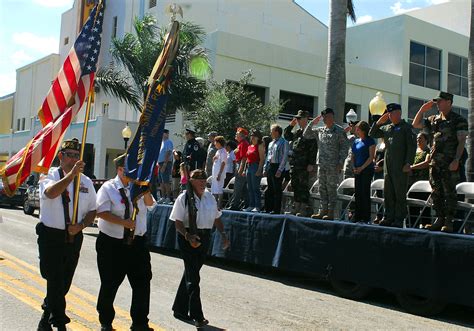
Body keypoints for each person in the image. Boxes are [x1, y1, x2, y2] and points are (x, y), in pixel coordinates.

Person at [36, 138, 97, 331]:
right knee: (53, 277)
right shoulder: (49, 176)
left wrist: (81, 226)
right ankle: (60, 322)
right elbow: (51, 194)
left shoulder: (86, 181)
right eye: (69, 155)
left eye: (76, 156)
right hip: (51, 236)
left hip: (73, 237)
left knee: (64, 281)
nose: (73, 159)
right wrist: (71, 176)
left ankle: (46, 316)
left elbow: (93, 210)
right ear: (61, 157)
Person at [95, 154, 155, 331]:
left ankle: (140, 322)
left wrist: (146, 189)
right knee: (110, 283)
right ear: (120, 169)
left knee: (142, 283)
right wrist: (124, 223)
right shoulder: (109, 188)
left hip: (137, 243)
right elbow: (101, 212)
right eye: (130, 170)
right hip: (113, 244)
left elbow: (151, 205)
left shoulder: (138, 186)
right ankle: (106, 322)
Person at [170, 169, 230, 327]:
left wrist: (223, 234)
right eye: (199, 180)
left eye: (204, 179)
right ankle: (197, 316)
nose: (203, 182)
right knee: (194, 278)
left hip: (204, 238)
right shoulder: (184, 198)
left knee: (191, 274)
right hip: (188, 237)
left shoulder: (210, 197)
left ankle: (179, 308)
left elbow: (217, 218)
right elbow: (177, 222)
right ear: (191, 181)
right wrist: (187, 236)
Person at [412, 92, 468, 232]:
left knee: (450, 193)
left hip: (449, 164)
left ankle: (449, 221)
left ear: (449, 102)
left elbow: (461, 141)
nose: (438, 104)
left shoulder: (458, 120)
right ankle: (439, 218)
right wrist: (422, 110)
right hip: (435, 164)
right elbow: (415, 124)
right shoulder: (433, 119)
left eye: (441, 101)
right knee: (436, 192)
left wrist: (456, 160)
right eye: (437, 101)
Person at [369, 103, 416, 228]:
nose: (389, 115)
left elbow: (411, 147)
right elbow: (372, 134)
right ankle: (388, 216)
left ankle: (399, 218)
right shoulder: (388, 128)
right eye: (388, 113)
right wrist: (379, 122)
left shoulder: (406, 127)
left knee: (399, 193)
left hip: (400, 166)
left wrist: (408, 163)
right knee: (388, 192)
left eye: (392, 113)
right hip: (388, 166)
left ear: (398, 113)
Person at [303, 108, 349, 220]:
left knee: (331, 188)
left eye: (327, 117)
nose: (324, 119)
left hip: (333, 165)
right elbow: (306, 134)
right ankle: (322, 211)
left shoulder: (339, 131)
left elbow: (344, 147)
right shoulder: (321, 130)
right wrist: (312, 123)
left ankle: (331, 212)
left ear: (332, 117)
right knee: (322, 188)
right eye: (323, 117)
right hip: (321, 164)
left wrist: (340, 162)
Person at [283, 110, 318, 217]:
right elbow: (287, 136)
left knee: (303, 186)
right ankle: (296, 206)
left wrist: (311, 163)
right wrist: (290, 126)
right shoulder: (298, 132)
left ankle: (304, 208)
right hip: (295, 164)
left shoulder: (310, 132)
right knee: (295, 185)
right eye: (297, 118)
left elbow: (313, 148)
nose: (297, 120)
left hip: (304, 164)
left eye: (300, 118)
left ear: (306, 119)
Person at [351, 121, 376, 223]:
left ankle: (365, 218)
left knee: (364, 193)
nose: (356, 130)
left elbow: (371, 157)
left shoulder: (370, 141)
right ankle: (357, 216)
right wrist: (354, 167)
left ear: (363, 130)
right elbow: (352, 156)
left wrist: (362, 168)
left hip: (367, 170)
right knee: (358, 193)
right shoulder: (356, 141)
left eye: (358, 129)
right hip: (357, 170)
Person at [263, 124, 289, 214]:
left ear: (277, 132)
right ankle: (268, 208)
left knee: (277, 189)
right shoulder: (271, 143)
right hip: (271, 166)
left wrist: (280, 169)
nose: (270, 132)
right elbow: (268, 156)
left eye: (272, 130)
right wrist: (265, 168)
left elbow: (284, 157)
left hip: (277, 166)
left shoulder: (284, 142)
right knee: (269, 188)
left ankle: (276, 209)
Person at [407, 132, 431, 227]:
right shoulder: (414, 151)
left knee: (425, 207)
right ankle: (412, 225)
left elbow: (427, 163)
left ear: (426, 140)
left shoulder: (428, 151)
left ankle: (426, 224)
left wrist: (412, 168)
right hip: (412, 183)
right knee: (412, 206)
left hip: (423, 184)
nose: (418, 140)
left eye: (420, 138)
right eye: (417, 138)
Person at [244, 130, 266, 212]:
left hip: (255, 166)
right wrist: (244, 170)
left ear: (258, 137)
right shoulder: (250, 146)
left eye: (254, 135)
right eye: (251, 135)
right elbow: (247, 158)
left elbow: (262, 159)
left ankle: (257, 206)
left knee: (255, 188)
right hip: (249, 167)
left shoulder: (260, 145)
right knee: (249, 188)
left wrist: (259, 170)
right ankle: (251, 205)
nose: (252, 137)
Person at [228, 127, 249, 210]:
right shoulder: (240, 143)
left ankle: (234, 205)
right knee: (243, 189)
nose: (236, 135)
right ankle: (247, 204)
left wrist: (241, 169)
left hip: (241, 165)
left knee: (237, 187)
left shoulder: (244, 144)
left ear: (242, 136)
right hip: (239, 164)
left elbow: (244, 158)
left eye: (237, 134)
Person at [157, 129, 174, 203]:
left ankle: (168, 197)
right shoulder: (161, 143)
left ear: (166, 134)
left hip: (166, 163)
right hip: (160, 163)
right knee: (161, 181)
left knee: (166, 181)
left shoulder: (168, 142)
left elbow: (168, 153)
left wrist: (164, 164)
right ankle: (163, 197)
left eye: (163, 133)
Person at [210, 135, 227, 207]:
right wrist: (213, 159)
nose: (214, 143)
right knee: (214, 188)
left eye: (215, 142)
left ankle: (219, 205)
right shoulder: (218, 151)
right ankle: (214, 204)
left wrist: (219, 173)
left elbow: (223, 163)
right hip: (215, 173)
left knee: (219, 189)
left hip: (219, 174)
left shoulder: (223, 151)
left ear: (219, 143)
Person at [373, 138, 385, 224]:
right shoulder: (379, 144)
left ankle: (385, 215)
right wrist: (374, 164)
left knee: (384, 194)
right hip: (376, 172)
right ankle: (379, 215)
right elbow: (375, 156)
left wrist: (382, 167)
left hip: (383, 171)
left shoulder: (388, 144)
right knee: (378, 194)